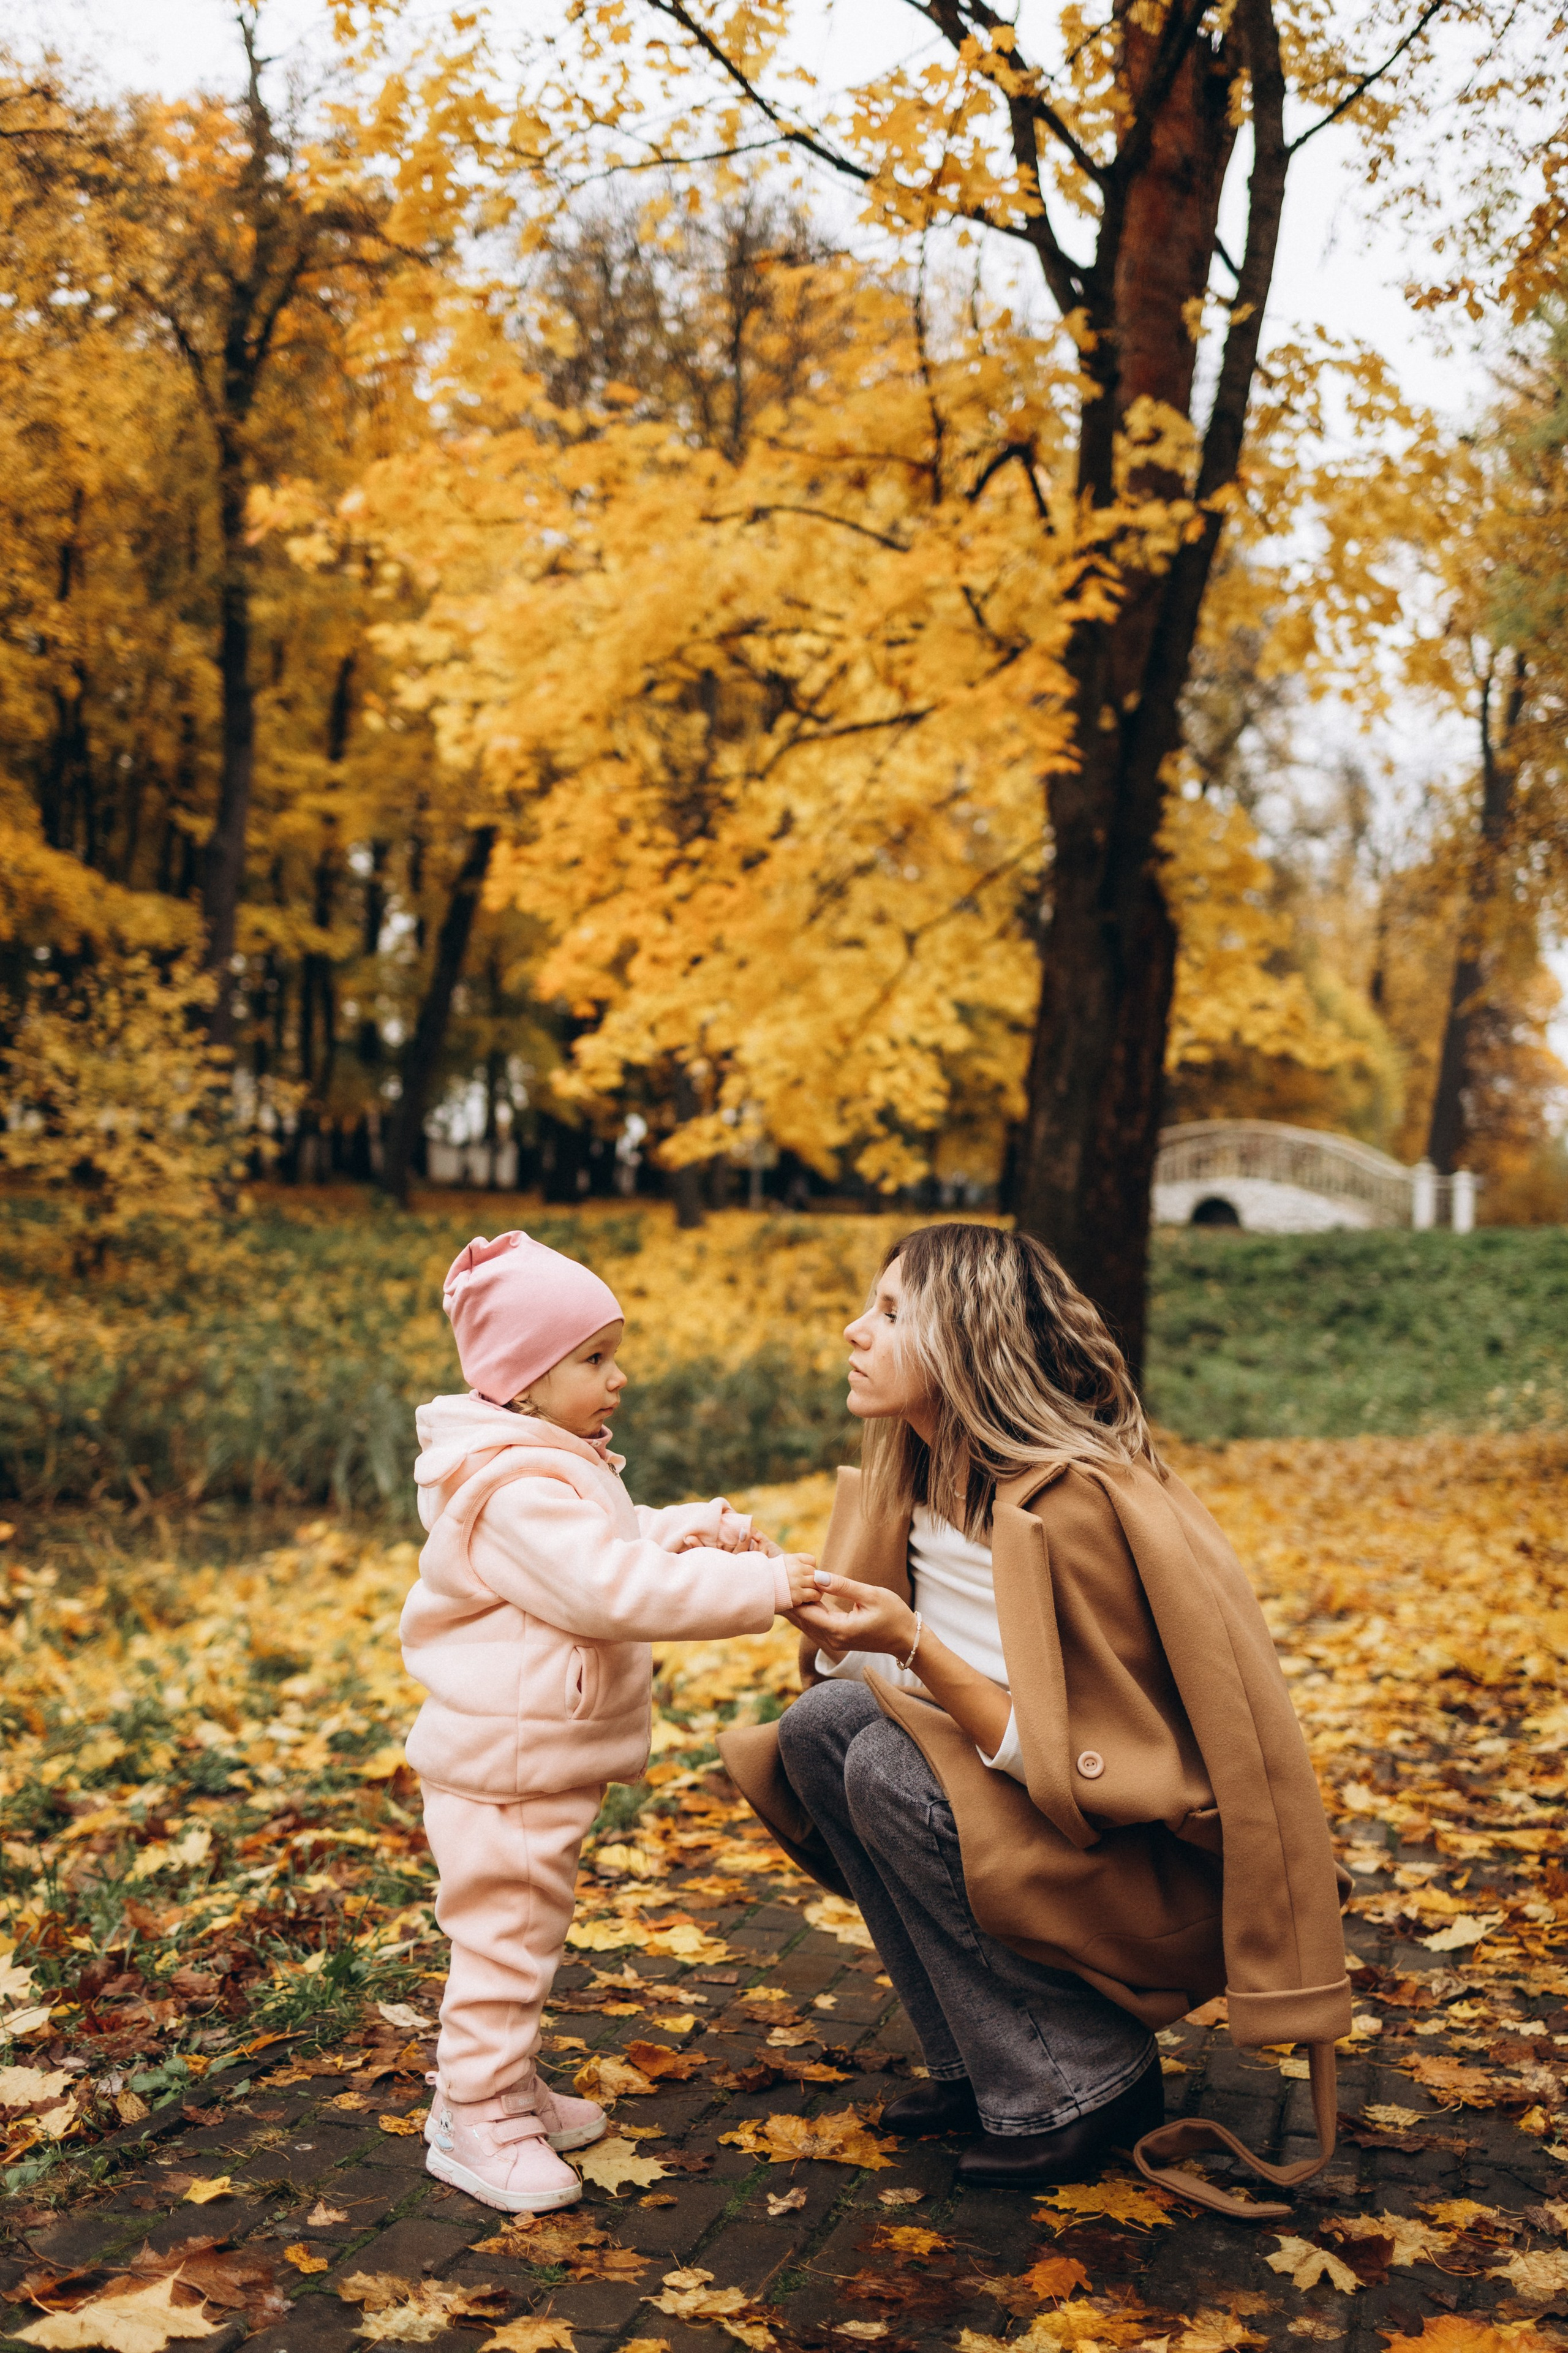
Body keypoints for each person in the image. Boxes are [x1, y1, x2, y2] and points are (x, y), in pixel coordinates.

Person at [720, 1223, 1349, 2201]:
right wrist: (833, 1621)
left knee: (886, 1767)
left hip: (1130, 1854)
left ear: (966, 1342)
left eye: (890, 1314)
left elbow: (1073, 1763)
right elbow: (877, 1685)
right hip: (1015, 1821)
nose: (855, 1330)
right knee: (820, 1730)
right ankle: (983, 2061)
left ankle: (1085, 2078)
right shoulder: (917, 1482)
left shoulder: (1079, 1508)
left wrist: (913, 1643)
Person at [402, 1229, 820, 2215]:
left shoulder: (544, 1459)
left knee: (527, 1928)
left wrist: (689, 1526)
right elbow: (604, 1585)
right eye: (594, 1356)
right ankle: (473, 2114)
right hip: (505, 1761)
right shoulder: (509, 1488)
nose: (618, 1376)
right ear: (525, 1377)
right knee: (505, 1935)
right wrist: (758, 1582)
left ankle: (506, 2085)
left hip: (534, 1751)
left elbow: (615, 1539)